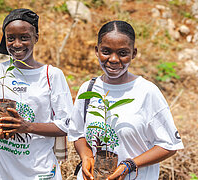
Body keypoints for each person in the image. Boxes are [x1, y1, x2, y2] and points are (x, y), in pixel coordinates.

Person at [68, 20, 184, 180]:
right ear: (97, 51)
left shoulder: (147, 92)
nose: (113, 59)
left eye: (123, 53)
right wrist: (86, 156)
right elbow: (78, 133)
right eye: (106, 51)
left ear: (134, 53)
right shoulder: (88, 89)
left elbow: (169, 145)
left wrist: (130, 165)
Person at [0, 8, 73, 180]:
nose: (17, 44)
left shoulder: (51, 75)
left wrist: (27, 127)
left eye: (24, 37)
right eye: (11, 38)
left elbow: (66, 125)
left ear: (36, 38)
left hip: (39, 169)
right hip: (1, 169)